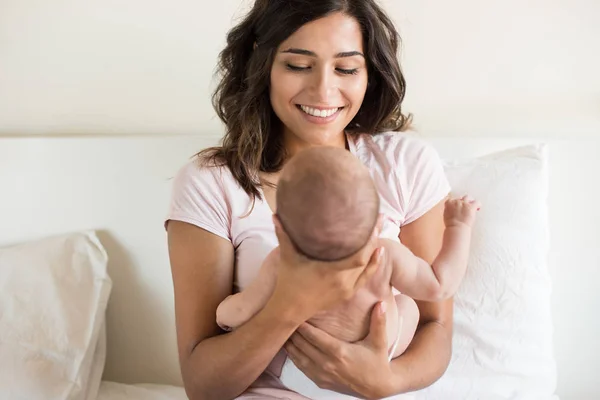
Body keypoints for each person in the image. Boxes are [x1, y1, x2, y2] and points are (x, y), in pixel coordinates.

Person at [165, 0, 456, 399]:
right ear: (262, 63)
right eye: (299, 65)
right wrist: (290, 302)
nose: (323, 91)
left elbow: (435, 325)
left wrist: (387, 381)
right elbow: (202, 384)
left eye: (346, 68)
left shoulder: (404, 163)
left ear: (369, 72)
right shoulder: (211, 184)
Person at [214, 146, 480, 400]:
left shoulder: (279, 262)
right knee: (407, 305)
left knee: (265, 322)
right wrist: (458, 227)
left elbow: (237, 313)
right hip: (376, 363)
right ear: (377, 222)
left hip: (298, 374)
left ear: (279, 226)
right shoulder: (385, 254)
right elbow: (440, 286)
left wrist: (224, 312)